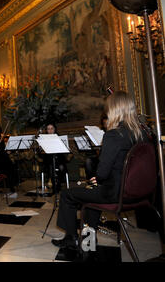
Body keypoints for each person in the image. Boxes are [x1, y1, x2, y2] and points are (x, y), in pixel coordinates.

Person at [52, 91, 148, 250]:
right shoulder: (142, 134)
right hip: (137, 192)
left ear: (114, 110)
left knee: (67, 194)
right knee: (92, 193)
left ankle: (71, 238)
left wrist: (99, 177)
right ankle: (89, 241)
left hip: (115, 193)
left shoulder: (113, 135)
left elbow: (102, 173)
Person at [38, 123, 71, 193]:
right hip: (48, 160)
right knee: (51, 164)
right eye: (48, 129)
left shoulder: (60, 138)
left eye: (51, 128)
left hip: (59, 159)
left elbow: (67, 151)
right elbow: (40, 153)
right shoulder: (43, 139)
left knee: (59, 165)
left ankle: (57, 184)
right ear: (46, 130)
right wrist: (41, 148)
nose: (50, 130)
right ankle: (55, 186)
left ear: (55, 129)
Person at [84, 113, 108, 180]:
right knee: (88, 161)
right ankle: (91, 181)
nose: (106, 125)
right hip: (100, 156)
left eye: (107, 123)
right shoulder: (101, 132)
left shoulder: (111, 134)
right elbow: (97, 152)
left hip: (108, 157)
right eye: (104, 124)